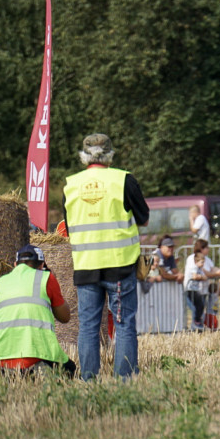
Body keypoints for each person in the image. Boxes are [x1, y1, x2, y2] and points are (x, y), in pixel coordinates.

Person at [63, 133, 148, 380]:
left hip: (86, 267)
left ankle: (88, 379)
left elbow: (70, 228)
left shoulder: (71, 185)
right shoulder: (123, 180)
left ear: (84, 155)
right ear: (110, 154)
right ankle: (125, 379)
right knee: (123, 324)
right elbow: (144, 219)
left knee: (88, 327)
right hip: (120, 265)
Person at [0, 245, 76, 376]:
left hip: (0, 356)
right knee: (71, 370)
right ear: (42, 265)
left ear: (15, 264)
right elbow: (65, 317)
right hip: (36, 355)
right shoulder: (46, 278)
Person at [184, 239, 220, 332]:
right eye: (206, 247)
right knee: (197, 309)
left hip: (203, 290)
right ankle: (195, 328)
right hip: (192, 289)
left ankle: (199, 328)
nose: (208, 249)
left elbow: (211, 269)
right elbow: (206, 273)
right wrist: (213, 275)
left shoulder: (207, 259)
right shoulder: (192, 258)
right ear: (201, 248)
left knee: (201, 309)